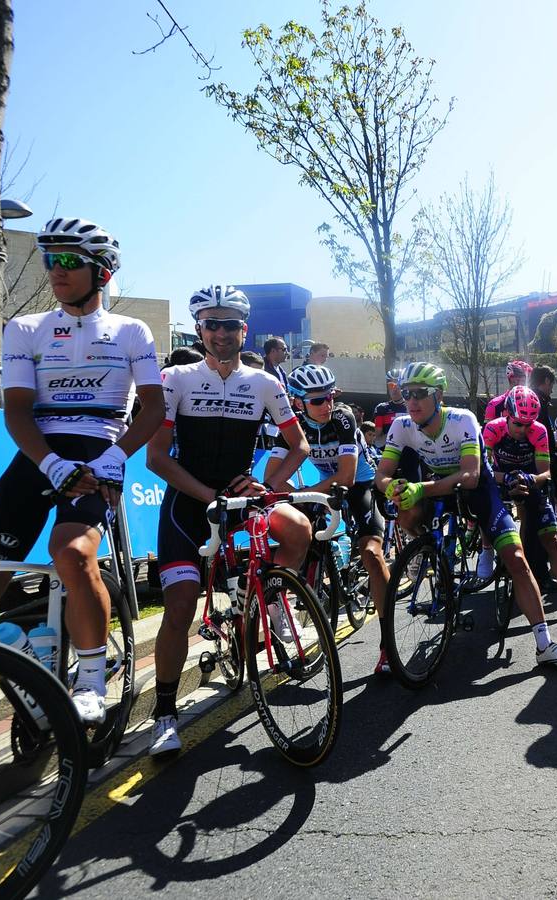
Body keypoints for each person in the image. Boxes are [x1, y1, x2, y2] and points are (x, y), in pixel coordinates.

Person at [0, 217, 163, 783]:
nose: (54, 272)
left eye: (67, 261)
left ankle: (89, 681)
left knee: (73, 553)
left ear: (100, 271)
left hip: (100, 448)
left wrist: (114, 458)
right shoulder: (26, 327)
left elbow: (152, 410)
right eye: (48, 260)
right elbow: (16, 411)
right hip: (39, 453)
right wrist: (52, 464)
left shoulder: (132, 331)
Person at [145, 285, 313, 756]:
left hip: (239, 499)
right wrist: (210, 496)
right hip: (188, 505)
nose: (220, 333)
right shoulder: (175, 378)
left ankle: (273, 600)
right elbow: (157, 459)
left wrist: (264, 482)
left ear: (245, 330)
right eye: (211, 324)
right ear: (199, 329)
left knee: (297, 529)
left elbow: (297, 445)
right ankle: (164, 715)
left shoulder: (264, 383)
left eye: (230, 325)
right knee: (179, 606)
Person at [374, 362, 557, 670]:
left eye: (421, 393)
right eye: (407, 394)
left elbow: (471, 476)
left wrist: (420, 488)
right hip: (437, 484)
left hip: (479, 488)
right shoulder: (401, 425)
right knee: (405, 508)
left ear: (439, 395)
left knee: (516, 558)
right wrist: (395, 486)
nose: (412, 401)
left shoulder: (462, 420)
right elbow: (381, 475)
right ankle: (425, 555)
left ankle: (545, 644)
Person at [276, 364, 391, 675]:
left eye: (329, 396)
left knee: (371, 554)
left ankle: (388, 641)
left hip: (361, 483)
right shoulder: (289, 424)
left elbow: (347, 475)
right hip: (325, 484)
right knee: (296, 533)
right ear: (298, 402)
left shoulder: (341, 416)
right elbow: (273, 477)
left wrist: (302, 491)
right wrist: (286, 491)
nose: (326, 405)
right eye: (317, 401)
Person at [481, 385, 557, 620]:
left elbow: (545, 473)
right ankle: (486, 550)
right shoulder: (492, 429)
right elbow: (481, 469)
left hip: (529, 480)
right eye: (518, 424)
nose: (523, 430)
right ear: (507, 415)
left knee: (551, 539)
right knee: (483, 501)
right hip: (499, 478)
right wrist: (505, 478)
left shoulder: (539, 431)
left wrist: (530, 478)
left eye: (528, 424)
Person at [372, 368, 407, 449]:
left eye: (398, 385)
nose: (394, 388)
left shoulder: (412, 406)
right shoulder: (381, 408)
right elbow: (377, 440)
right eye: (391, 385)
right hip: (389, 451)